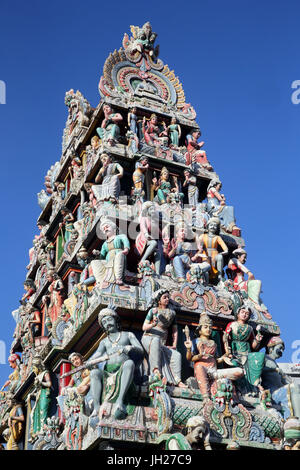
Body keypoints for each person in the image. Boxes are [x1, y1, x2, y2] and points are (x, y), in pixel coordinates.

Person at [89, 307, 144, 420]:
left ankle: (120, 400)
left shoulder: (128, 335)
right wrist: (89, 361)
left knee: (129, 363)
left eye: (109, 320)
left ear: (115, 320)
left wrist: (130, 348)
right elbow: (98, 354)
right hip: (109, 372)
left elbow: (140, 350)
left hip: (123, 369)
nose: (107, 324)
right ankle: (96, 407)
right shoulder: (104, 342)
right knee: (94, 372)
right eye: (104, 322)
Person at [184, 313, 243, 400]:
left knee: (240, 371)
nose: (208, 329)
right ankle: (206, 397)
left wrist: (224, 356)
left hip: (214, 371)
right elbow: (190, 358)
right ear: (199, 330)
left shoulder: (213, 343)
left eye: (210, 327)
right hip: (202, 369)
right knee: (199, 366)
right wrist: (190, 350)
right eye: (205, 327)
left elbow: (216, 360)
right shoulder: (196, 341)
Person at [142, 290, 187, 388]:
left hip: (161, 342)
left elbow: (175, 330)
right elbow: (144, 327)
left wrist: (174, 345)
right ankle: (155, 373)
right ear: (159, 300)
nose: (167, 299)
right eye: (164, 297)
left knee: (176, 355)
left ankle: (177, 380)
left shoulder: (172, 313)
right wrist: (153, 324)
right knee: (156, 341)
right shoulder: (153, 311)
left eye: (168, 297)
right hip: (149, 338)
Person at [223, 305, 265, 395]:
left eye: (247, 314)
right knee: (235, 365)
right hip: (235, 351)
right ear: (238, 314)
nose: (244, 315)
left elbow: (254, 346)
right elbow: (225, 339)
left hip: (247, 351)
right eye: (242, 312)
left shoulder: (249, 328)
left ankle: (252, 389)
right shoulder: (232, 324)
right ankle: (239, 388)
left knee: (253, 364)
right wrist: (228, 352)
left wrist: (257, 340)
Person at [90, 219, 130, 286]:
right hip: (108, 260)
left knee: (119, 255)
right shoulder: (105, 244)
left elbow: (126, 242)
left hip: (119, 256)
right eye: (104, 229)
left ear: (113, 227)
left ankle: (118, 278)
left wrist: (126, 249)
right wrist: (98, 254)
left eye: (107, 227)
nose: (106, 229)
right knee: (94, 262)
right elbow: (102, 257)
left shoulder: (120, 236)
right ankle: (100, 281)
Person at [227, 247, 268, 313]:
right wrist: (249, 273)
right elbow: (240, 266)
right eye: (244, 257)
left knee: (257, 292)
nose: (245, 259)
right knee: (257, 282)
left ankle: (261, 307)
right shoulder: (233, 260)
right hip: (238, 286)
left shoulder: (235, 262)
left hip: (242, 284)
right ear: (238, 256)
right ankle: (255, 303)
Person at [192, 217, 228, 282]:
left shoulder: (217, 237)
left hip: (215, 254)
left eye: (215, 226)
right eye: (211, 225)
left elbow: (225, 249)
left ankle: (219, 276)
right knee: (205, 267)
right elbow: (197, 244)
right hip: (205, 255)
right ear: (208, 227)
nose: (213, 227)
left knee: (219, 257)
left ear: (217, 228)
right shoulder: (203, 236)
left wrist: (221, 253)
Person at [29, 356, 52, 440]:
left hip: (45, 395)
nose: (33, 370)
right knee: (35, 413)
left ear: (38, 366)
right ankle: (37, 432)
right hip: (39, 396)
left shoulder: (45, 373)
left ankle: (44, 429)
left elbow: (49, 384)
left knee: (43, 412)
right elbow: (39, 389)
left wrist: (41, 382)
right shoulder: (37, 376)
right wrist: (32, 395)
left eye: (34, 368)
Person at [136, 202, 162, 275]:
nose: (153, 211)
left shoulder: (154, 221)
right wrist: (146, 234)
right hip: (144, 239)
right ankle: (142, 260)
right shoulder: (144, 218)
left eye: (154, 209)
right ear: (147, 210)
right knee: (154, 243)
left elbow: (158, 232)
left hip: (152, 240)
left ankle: (157, 273)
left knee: (158, 254)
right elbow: (143, 227)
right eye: (151, 209)